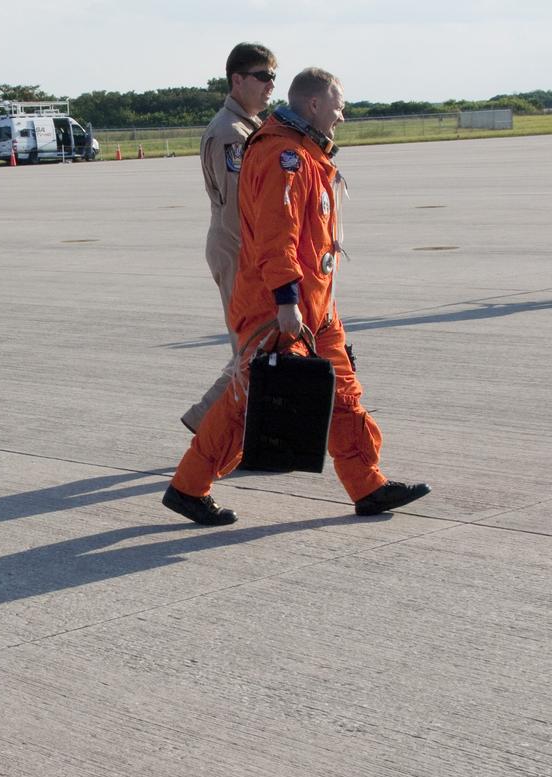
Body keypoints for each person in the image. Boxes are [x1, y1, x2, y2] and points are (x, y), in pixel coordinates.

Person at [163, 67, 430, 526]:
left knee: (343, 394)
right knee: (250, 400)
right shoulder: (282, 155)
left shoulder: (306, 152)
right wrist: (286, 302)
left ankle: (367, 486)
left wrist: (313, 303)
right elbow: (276, 236)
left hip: (315, 305)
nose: (343, 115)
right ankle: (188, 487)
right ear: (313, 105)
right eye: (338, 104)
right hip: (277, 306)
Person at [181, 42, 278, 434]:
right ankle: (207, 420)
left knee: (258, 344)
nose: (271, 85)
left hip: (243, 248)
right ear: (237, 80)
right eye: (263, 77)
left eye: (273, 77)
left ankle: (236, 428)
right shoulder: (230, 134)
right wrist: (266, 263)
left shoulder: (248, 127)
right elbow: (241, 208)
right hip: (239, 248)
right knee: (252, 347)